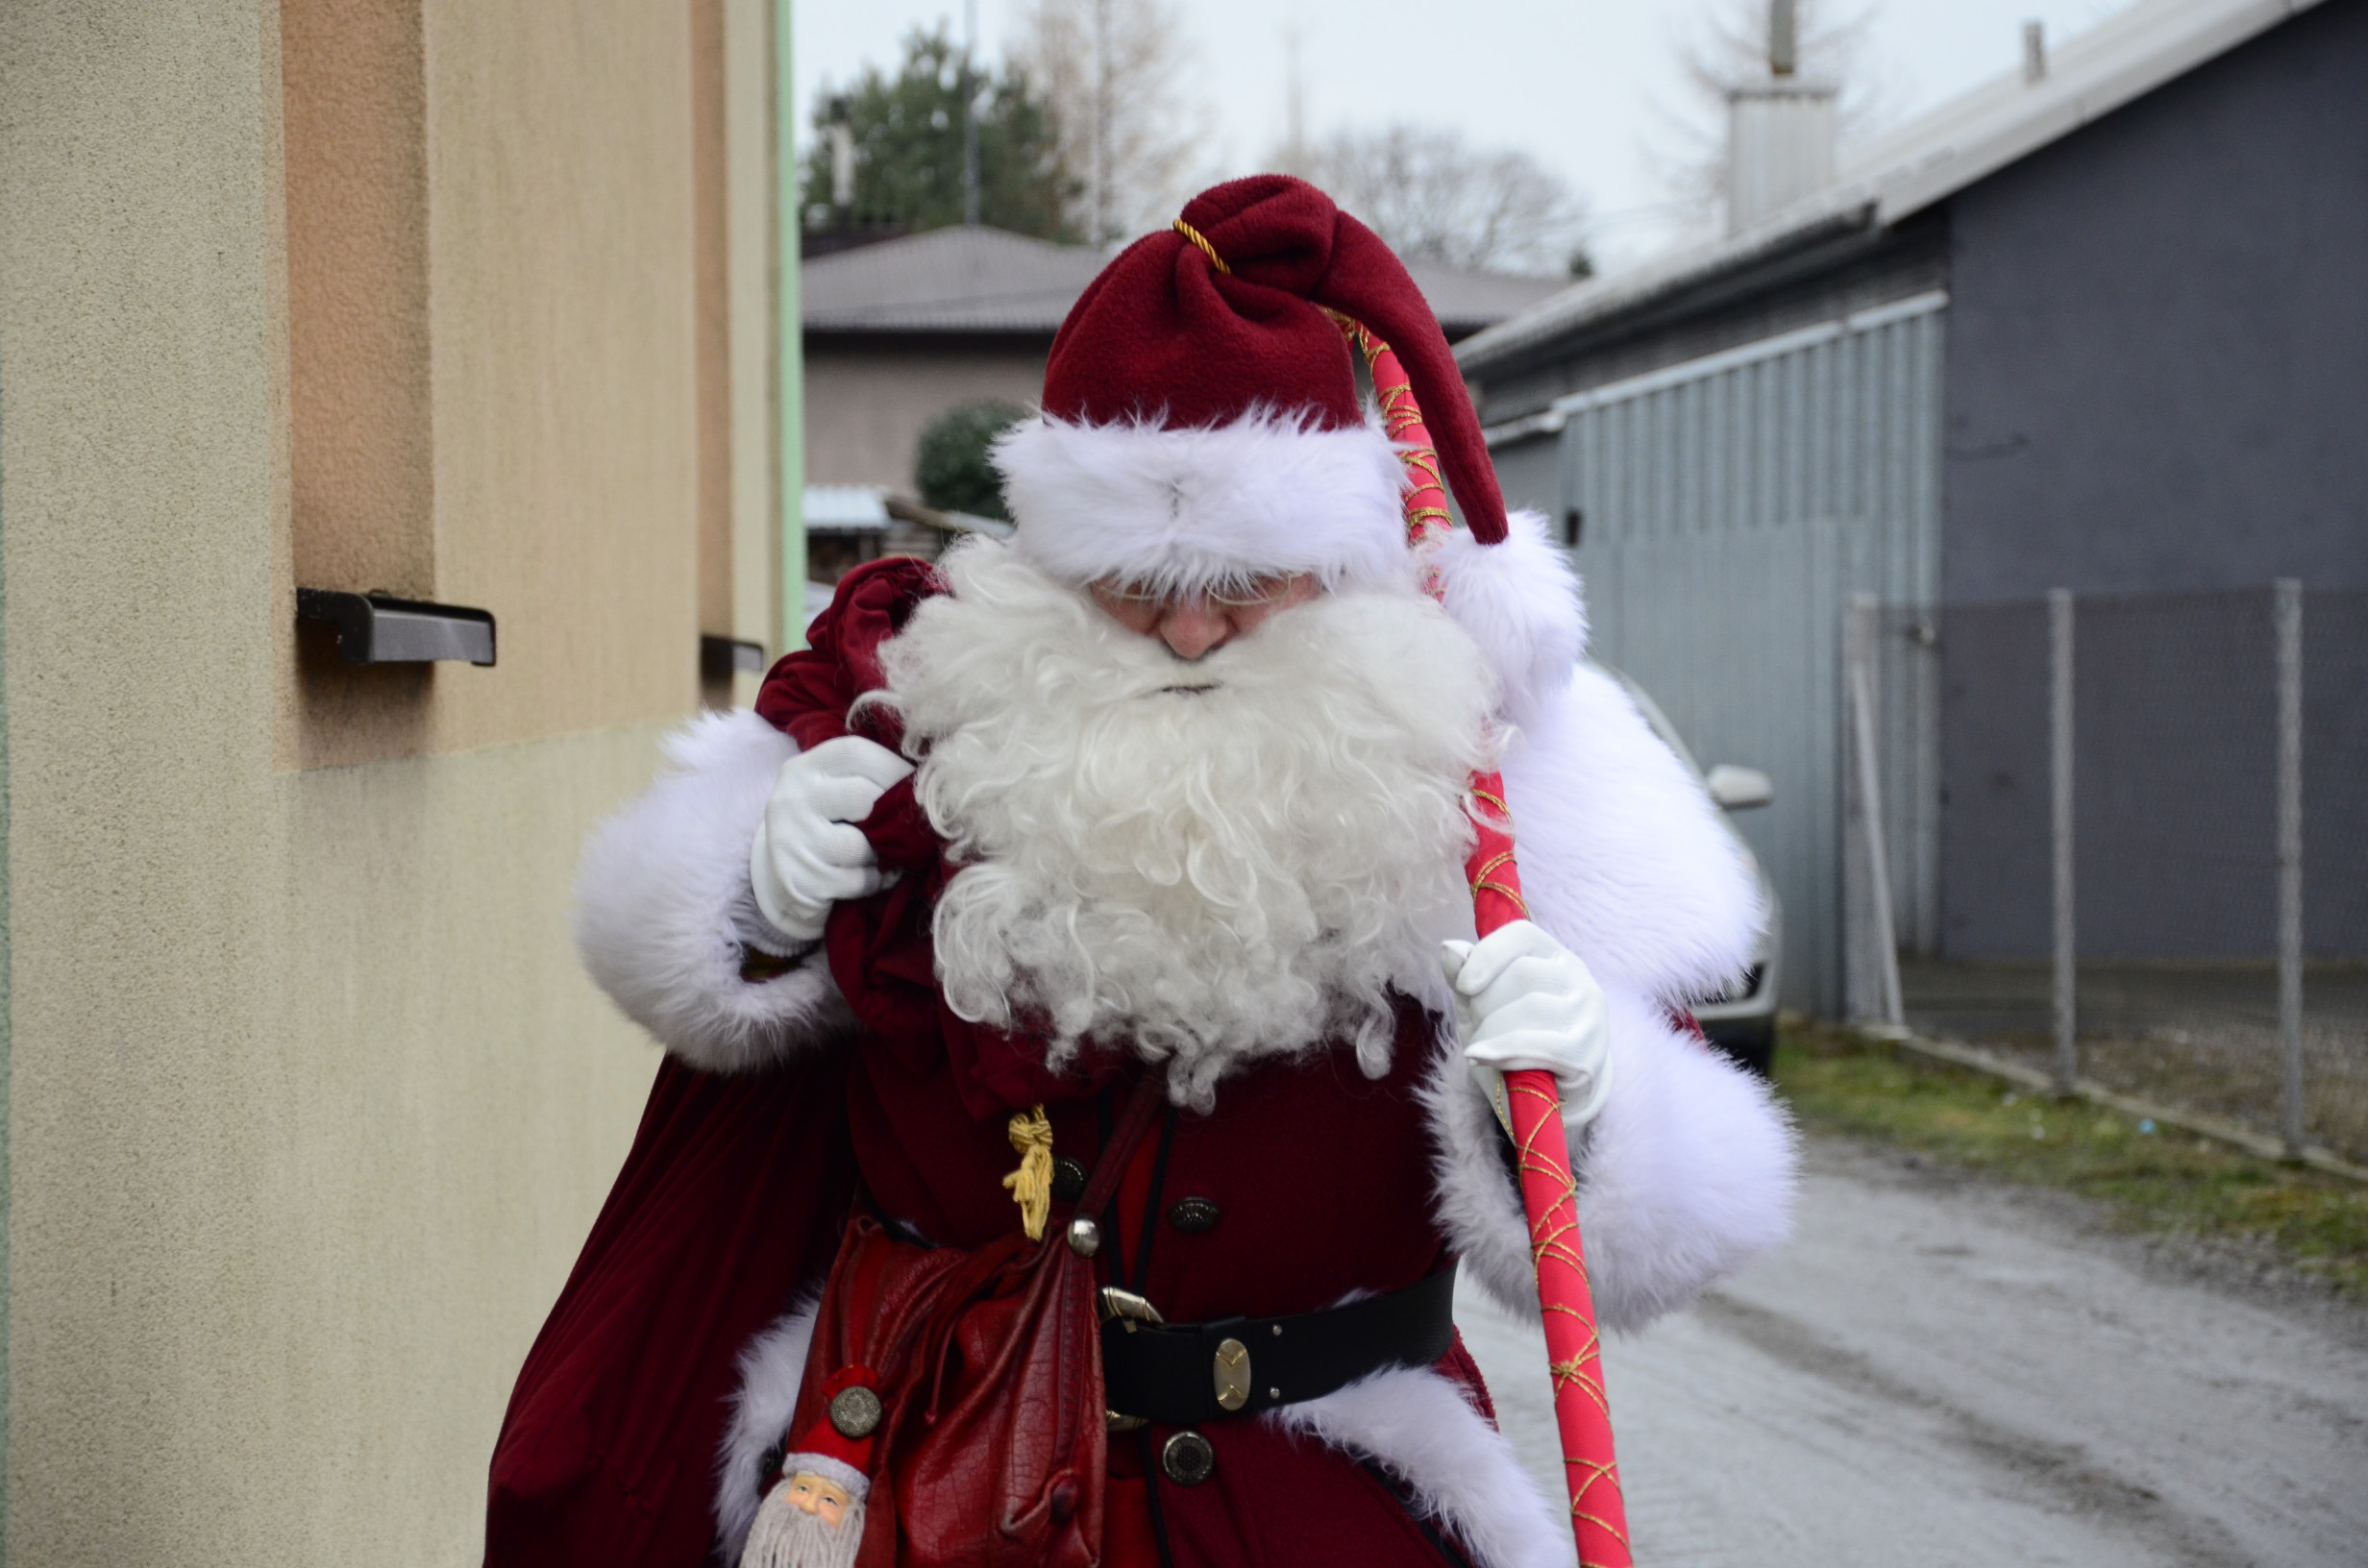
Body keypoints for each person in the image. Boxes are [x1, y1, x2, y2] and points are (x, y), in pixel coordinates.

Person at [490, 176, 1794, 1568]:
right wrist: (752, 902)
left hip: (1323, 1508)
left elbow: (1651, 1254)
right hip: (935, 1487)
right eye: (1132, 580)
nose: (1186, 631)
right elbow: (696, 1012)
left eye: (1247, 579)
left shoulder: (1487, 781)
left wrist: (1590, 1111)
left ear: (1342, 564)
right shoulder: (920, 722)